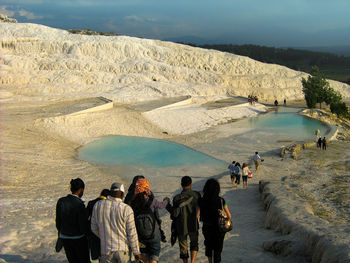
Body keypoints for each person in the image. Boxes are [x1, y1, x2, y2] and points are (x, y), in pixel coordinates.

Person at [91, 182, 141, 263]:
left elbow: (93, 228)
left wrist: (105, 235)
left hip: (106, 251)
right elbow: (132, 233)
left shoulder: (98, 205)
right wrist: (136, 252)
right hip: (122, 251)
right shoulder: (126, 209)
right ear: (122, 195)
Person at [130, 178, 170, 263]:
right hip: (153, 234)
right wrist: (166, 200)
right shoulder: (152, 201)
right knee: (155, 253)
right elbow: (161, 206)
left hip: (140, 235)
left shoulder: (133, 203)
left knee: (144, 255)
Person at [167, 176, 201, 263]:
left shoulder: (177, 198)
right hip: (193, 224)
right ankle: (192, 261)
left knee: (183, 246)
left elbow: (175, 213)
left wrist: (167, 205)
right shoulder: (196, 195)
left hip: (181, 226)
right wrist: (197, 215)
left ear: (181, 185)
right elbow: (200, 207)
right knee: (194, 243)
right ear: (191, 184)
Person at [56, 178, 90, 263]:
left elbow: (58, 221)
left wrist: (61, 233)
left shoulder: (61, 201)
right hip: (78, 238)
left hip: (65, 237)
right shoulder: (79, 204)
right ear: (81, 190)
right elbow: (83, 225)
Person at [125, 175, 167, 243]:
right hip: (150, 225)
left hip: (135, 226)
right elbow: (155, 210)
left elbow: (126, 207)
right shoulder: (148, 193)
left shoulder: (130, 194)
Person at [199, 179, 231, 263]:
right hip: (219, 228)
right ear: (218, 189)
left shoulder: (202, 201)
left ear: (206, 188)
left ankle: (210, 261)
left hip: (207, 227)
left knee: (208, 246)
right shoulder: (221, 200)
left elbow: (198, 215)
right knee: (218, 248)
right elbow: (229, 215)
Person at [87, 189, 110, 261]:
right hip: (105, 233)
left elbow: (86, 218)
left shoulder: (91, 203)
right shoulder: (108, 205)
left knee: (96, 256)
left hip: (93, 233)